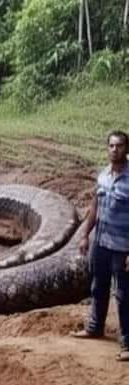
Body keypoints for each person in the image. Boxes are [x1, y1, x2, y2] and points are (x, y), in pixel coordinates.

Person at [73, 130, 129, 360]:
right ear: (107, 149)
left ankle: (127, 343)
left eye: (120, 146)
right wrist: (85, 235)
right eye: (111, 146)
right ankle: (95, 327)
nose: (115, 149)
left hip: (123, 246)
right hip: (101, 242)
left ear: (127, 149)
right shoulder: (102, 176)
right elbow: (94, 209)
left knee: (124, 294)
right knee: (98, 286)